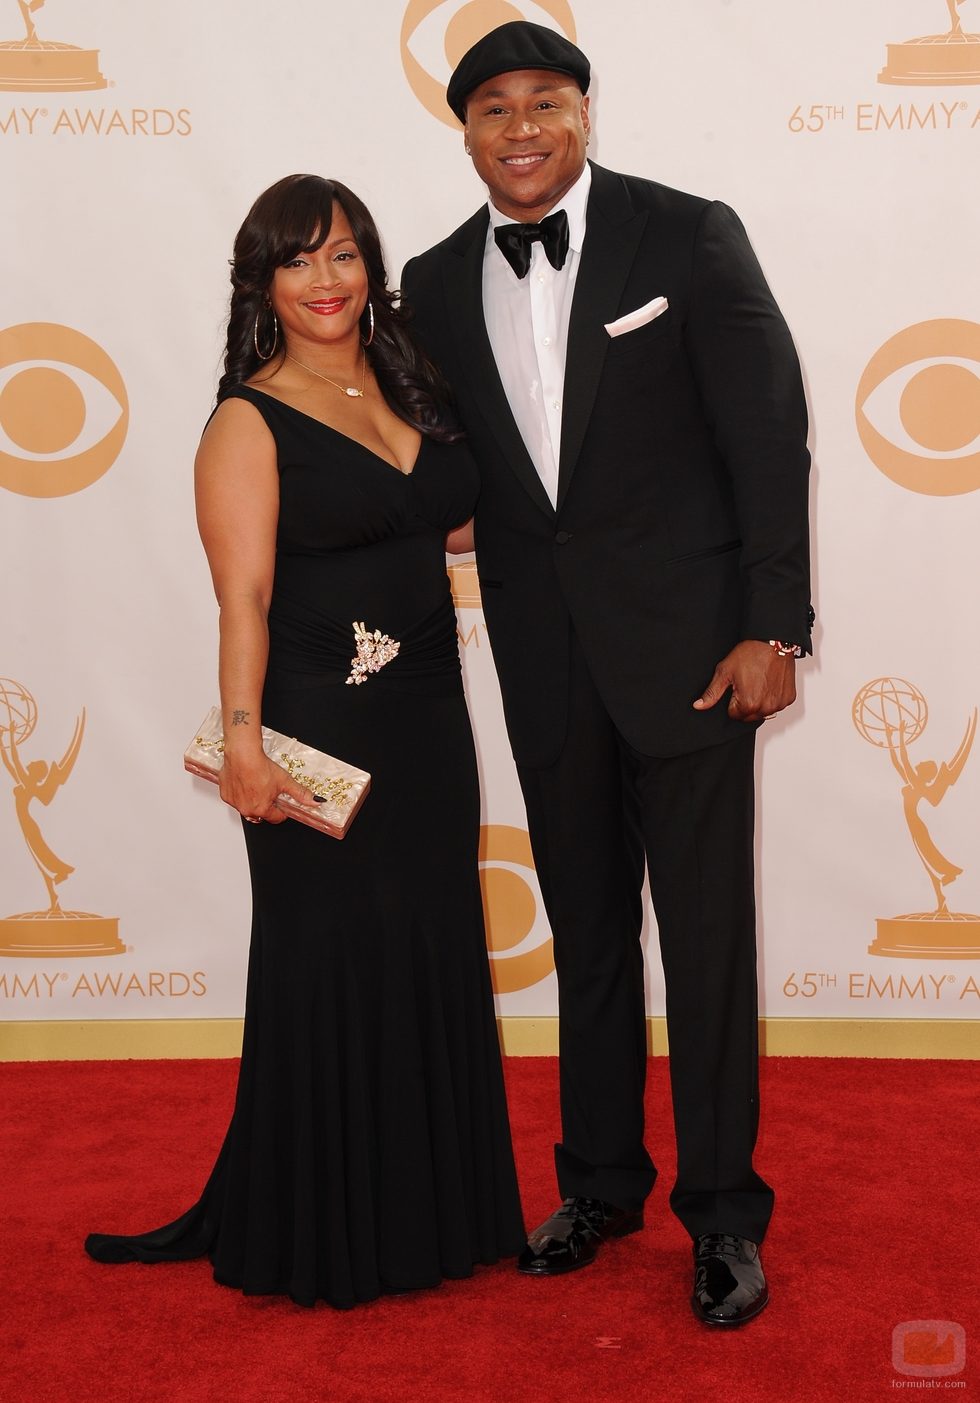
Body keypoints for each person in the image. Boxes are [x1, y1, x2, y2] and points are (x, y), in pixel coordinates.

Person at [402, 22, 812, 1325]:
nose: (521, 127)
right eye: (493, 110)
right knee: (585, 930)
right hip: (541, 651)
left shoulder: (685, 233)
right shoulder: (428, 277)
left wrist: (775, 623)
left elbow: (769, 431)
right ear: (460, 130)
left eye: (546, 102)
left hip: (697, 651)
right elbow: (451, 470)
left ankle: (724, 1216)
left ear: (583, 113)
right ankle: (599, 1181)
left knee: (703, 945)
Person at [85, 174, 525, 1308]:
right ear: (262, 283)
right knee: (328, 967)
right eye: (298, 260)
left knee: (427, 952)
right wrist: (244, 745)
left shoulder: (405, 380)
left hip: (429, 721)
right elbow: (242, 597)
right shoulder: (248, 415)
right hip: (315, 729)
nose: (326, 281)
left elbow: (457, 513)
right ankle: (325, 1228)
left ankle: (435, 1213)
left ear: (368, 267)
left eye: (343, 255)